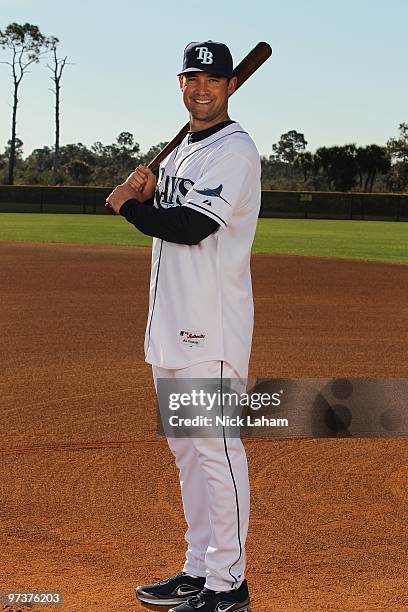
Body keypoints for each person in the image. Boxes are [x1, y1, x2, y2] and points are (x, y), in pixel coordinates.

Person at [106, 40, 261, 612]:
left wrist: (128, 206)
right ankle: (200, 567)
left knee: (216, 451)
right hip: (170, 326)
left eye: (213, 80)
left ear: (230, 86)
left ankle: (229, 586)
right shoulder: (183, 153)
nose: (202, 89)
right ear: (182, 84)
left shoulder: (234, 151)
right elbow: (170, 206)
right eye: (193, 79)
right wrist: (149, 188)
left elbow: (192, 227)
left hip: (209, 330)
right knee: (187, 451)